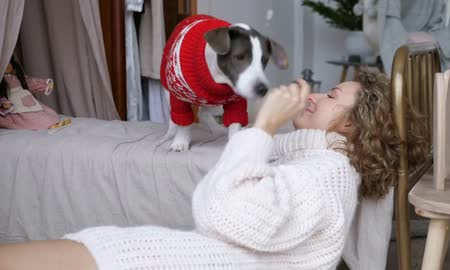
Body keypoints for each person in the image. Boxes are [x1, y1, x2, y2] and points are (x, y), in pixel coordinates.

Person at [0, 71, 428, 270]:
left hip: (145, 260)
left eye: (332, 95)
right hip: (147, 254)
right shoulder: (319, 162)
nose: (315, 96)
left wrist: (263, 126)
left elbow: (222, 211)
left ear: (353, 125)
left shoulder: (326, 174)